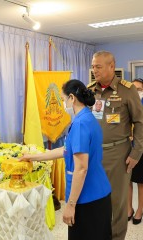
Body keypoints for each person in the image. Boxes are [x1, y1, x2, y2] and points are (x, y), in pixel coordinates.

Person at [20, 79, 112, 240]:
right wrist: (33, 157)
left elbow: (81, 168)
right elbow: (66, 150)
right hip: (99, 193)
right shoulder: (87, 118)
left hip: (87, 198)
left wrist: (70, 205)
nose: (63, 104)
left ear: (72, 97)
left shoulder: (80, 124)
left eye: (63, 99)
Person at [88, 51, 143, 240]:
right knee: (95, 198)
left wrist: (136, 153)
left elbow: (140, 122)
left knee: (117, 201)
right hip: (93, 153)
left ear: (112, 66)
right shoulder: (90, 91)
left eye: (98, 66)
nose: (94, 70)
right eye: (93, 66)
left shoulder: (127, 90)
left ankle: (117, 237)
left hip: (118, 153)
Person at [128, 78, 143, 225]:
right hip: (126, 147)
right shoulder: (124, 103)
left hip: (140, 147)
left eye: (139, 89)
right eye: (134, 89)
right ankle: (129, 209)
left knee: (140, 182)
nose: (136, 92)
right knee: (127, 180)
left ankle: (140, 210)